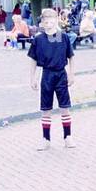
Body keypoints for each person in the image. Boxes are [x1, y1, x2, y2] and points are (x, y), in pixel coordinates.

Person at [28, 9, 76, 150]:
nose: (49, 22)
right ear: (42, 22)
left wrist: (71, 74)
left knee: (64, 107)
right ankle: (46, 139)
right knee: (45, 108)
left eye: (52, 19)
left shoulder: (64, 37)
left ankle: (68, 137)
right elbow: (33, 59)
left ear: (57, 20)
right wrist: (32, 78)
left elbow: (71, 56)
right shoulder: (38, 39)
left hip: (61, 74)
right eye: (46, 20)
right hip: (47, 75)